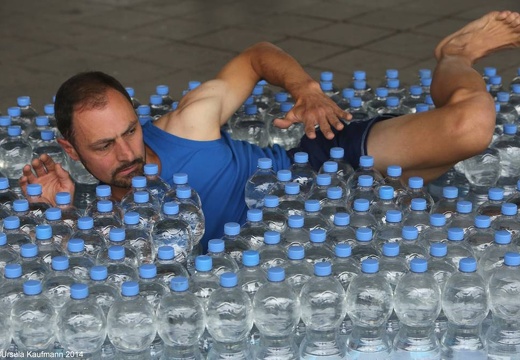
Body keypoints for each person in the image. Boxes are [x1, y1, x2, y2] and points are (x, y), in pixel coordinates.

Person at [19, 10, 520, 251]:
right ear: (69, 148)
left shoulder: (186, 125)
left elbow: (256, 55)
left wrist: (305, 90)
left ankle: (454, 54)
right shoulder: (94, 208)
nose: (128, 151)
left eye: (129, 129)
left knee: (472, 126)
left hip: (326, 170)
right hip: (316, 242)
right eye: (104, 146)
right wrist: (63, 216)